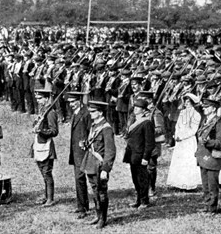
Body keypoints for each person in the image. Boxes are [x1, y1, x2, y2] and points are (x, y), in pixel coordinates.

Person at [80, 101, 116, 229]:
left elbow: (110, 151)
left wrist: (106, 169)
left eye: (93, 111)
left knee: (101, 192)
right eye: (90, 111)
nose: (90, 114)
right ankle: (98, 215)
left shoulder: (106, 128)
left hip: (99, 165)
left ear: (100, 112)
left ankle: (103, 219)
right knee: (94, 190)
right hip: (90, 163)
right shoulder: (94, 125)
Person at [122, 98, 155, 209]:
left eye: (138, 108)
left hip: (140, 155)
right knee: (135, 179)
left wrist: (146, 157)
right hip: (132, 154)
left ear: (144, 110)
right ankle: (138, 199)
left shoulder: (146, 123)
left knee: (142, 179)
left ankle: (144, 201)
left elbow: (149, 143)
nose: (135, 109)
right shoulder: (134, 120)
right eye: (135, 107)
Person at [195, 98, 221, 214]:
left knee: (212, 185)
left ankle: (212, 208)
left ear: (213, 108)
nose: (204, 108)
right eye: (204, 107)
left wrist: (207, 142)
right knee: (205, 184)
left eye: (207, 107)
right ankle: (207, 206)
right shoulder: (205, 121)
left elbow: (219, 142)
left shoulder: (219, 123)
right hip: (203, 156)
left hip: (212, 157)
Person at [167, 93, 202, 190]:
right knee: (179, 160)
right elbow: (177, 125)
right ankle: (178, 182)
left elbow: (193, 130)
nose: (186, 103)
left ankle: (188, 183)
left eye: (189, 102)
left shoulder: (196, 114)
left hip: (188, 140)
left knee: (187, 161)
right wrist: (176, 135)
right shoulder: (182, 112)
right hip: (180, 140)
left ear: (193, 103)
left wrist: (182, 136)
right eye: (185, 101)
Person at [30, 88, 58, 207]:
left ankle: (50, 199)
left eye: (40, 98)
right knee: (43, 172)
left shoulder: (51, 112)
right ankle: (46, 196)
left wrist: (41, 131)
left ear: (46, 98)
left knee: (47, 172)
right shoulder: (42, 110)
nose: (38, 101)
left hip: (46, 145)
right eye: (37, 99)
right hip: (39, 143)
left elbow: (54, 131)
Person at [66, 91, 91, 218]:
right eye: (69, 102)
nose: (71, 105)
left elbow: (90, 131)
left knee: (80, 178)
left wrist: (86, 142)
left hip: (83, 152)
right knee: (78, 179)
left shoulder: (86, 113)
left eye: (73, 102)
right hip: (76, 152)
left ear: (79, 101)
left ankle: (83, 209)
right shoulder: (76, 113)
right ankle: (81, 206)